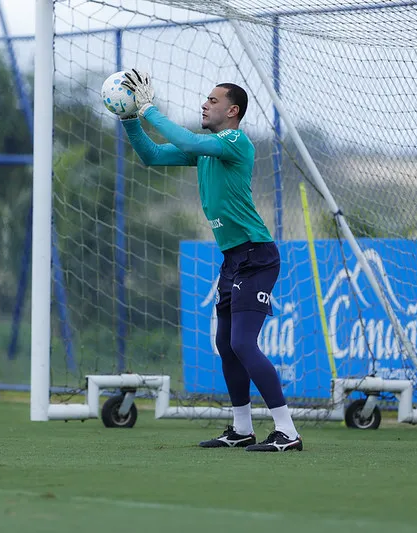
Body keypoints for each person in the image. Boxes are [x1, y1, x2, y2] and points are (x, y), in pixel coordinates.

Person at [119, 69, 302, 452]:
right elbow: (152, 156)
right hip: (233, 258)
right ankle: (241, 429)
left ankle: (288, 432)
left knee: (243, 343)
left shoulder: (235, 141)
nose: (205, 103)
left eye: (213, 100)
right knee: (226, 342)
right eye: (206, 99)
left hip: (257, 254)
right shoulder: (206, 151)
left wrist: (148, 107)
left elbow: (184, 137)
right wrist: (130, 119)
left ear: (233, 111)